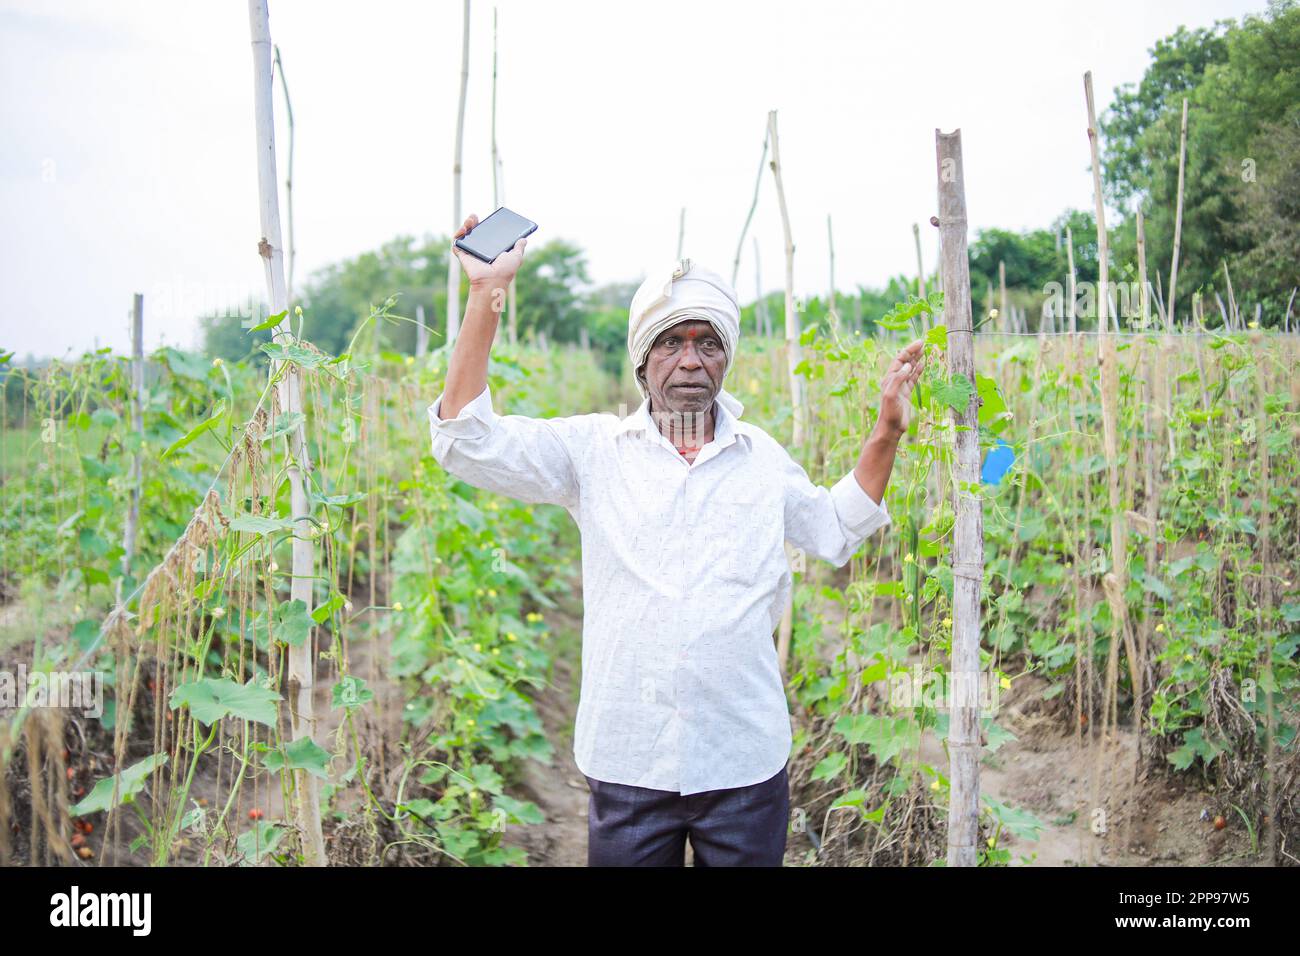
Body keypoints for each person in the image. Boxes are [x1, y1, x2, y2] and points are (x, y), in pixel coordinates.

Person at [429, 213, 924, 866]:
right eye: (670, 343)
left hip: (743, 762)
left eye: (707, 342)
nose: (690, 359)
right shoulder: (594, 452)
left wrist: (886, 432)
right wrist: (484, 295)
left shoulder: (762, 459)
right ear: (642, 360)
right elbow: (466, 440)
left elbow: (833, 529)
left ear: (726, 357)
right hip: (630, 759)